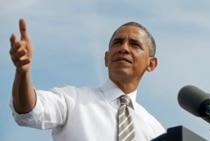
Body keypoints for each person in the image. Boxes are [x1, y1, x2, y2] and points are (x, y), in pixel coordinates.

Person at [9, 18, 165, 141]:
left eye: (134, 44)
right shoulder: (72, 100)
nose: (123, 48)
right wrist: (22, 72)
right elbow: (28, 111)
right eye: (117, 42)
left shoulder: (155, 130)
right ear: (106, 58)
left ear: (151, 64)